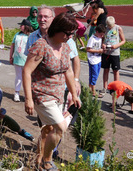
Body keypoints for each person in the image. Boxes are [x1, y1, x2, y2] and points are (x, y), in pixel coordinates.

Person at [22, 12, 81, 170]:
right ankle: (46, 161)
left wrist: (74, 94)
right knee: (60, 127)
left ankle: (39, 157)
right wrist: (28, 99)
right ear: (58, 30)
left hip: (58, 95)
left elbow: (68, 71)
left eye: (72, 33)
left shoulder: (66, 46)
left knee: (49, 129)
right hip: (41, 94)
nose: (70, 36)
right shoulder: (41, 45)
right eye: (68, 33)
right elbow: (26, 71)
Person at [9, 19, 33, 102]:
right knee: (18, 77)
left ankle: (27, 95)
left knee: (27, 77)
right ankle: (16, 93)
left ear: (26, 27)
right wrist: (10, 57)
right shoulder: (17, 35)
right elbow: (12, 46)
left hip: (26, 60)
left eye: (21, 25)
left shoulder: (30, 36)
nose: (20, 27)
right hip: (17, 59)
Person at [101, 16, 126, 94]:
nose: (109, 27)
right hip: (106, 52)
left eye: (111, 26)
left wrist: (116, 46)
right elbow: (102, 39)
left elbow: (123, 40)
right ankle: (105, 88)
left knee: (115, 71)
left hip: (115, 53)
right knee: (106, 70)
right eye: (108, 26)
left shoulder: (118, 28)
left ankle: (116, 87)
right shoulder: (105, 29)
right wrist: (103, 45)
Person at [87, 24, 105, 97]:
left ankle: (90, 88)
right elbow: (88, 49)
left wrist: (103, 45)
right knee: (94, 75)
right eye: (101, 34)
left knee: (96, 75)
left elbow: (100, 44)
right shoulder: (92, 38)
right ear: (97, 32)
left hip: (98, 59)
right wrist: (98, 51)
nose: (102, 36)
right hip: (92, 59)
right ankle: (93, 91)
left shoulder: (100, 38)